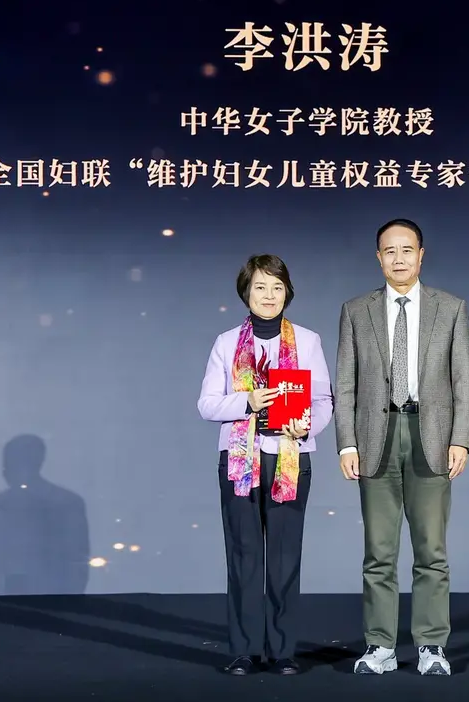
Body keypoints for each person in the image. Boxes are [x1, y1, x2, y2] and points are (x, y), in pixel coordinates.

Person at [335, 218, 469, 676]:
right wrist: (346, 443)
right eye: (389, 251)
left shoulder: (450, 308)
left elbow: (464, 381)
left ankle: (432, 646)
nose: (399, 259)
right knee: (378, 553)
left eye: (407, 250)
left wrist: (461, 439)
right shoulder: (355, 311)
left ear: (421, 255)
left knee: (431, 551)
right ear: (379, 258)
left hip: (430, 435)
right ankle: (379, 646)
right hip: (374, 439)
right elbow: (346, 383)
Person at [198, 254, 334, 676]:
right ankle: (242, 650)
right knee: (244, 556)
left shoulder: (307, 341)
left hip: (290, 458)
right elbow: (206, 405)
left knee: (284, 558)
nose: (269, 295)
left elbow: (323, 401)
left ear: (287, 292)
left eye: (277, 287)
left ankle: (282, 650)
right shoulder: (226, 343)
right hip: (240, 461)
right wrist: (247, 401)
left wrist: (306, 424)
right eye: (260, 287)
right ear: (246, 292)